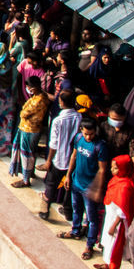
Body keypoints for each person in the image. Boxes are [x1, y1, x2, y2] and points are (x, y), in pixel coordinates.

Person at [60, 117, 109, 259]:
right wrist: (68, 175)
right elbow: (73, 156)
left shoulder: (100, 146)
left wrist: (98, 189)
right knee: (76, 209)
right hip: (76, 182)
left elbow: (102, 170)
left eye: (91, 134)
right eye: (86, 134)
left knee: (92, 218)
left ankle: (90, 245)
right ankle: (75, 231)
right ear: (82, 130)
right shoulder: (78, 138)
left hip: (89, 188)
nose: (88, 137)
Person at [96, 155, 134, 269]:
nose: (112, 170)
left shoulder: (125, 186)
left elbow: (123, 210)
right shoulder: (117, 180)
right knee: (109, 244)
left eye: (116, 168)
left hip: (118, 223)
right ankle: (108, 263)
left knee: (115, 247)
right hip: (110, 217)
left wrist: (114, 225)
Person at [40, 91, 82, 220]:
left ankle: (45, 209)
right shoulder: (78, 117)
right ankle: (68, 212)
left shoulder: (58, 120)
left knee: (51, 184)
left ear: (61, 103)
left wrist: (48, 161)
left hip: (59, 158)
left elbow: (53, 143)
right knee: (69, 186)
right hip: (73, 160)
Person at [10, 75, 50, 188]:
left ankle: (26, 179)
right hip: (27, 128)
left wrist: (23, 112)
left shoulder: (39, 99)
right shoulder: (39, 96)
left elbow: (24, 113)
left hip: (30, 130)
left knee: (27, 154)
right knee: (30, 152)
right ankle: (29, 173)